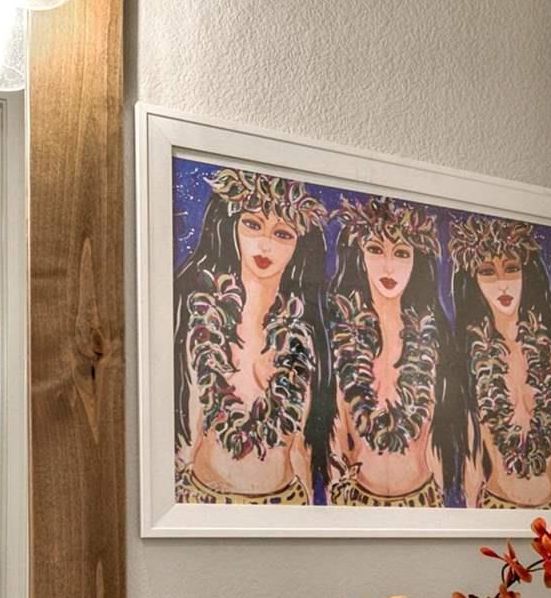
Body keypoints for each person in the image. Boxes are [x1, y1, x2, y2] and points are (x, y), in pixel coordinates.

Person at [173, 165, 328, 504]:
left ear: (299, 245)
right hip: (204, 500)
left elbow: (303, 444)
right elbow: (185, 431)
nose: (264, 245)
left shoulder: (304, 336)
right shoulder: (201, 317)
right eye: (252, 225)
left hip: (287, 503)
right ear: (231, 227)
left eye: (282, 233)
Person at [439, 213, 551, 510]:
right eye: (488, 272)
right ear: (473, 281)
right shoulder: (467, 360)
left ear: (527, 273)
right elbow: (470, 456)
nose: (502, 284)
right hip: (496, 507)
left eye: (511, 269)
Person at [324, 193, 447, 507]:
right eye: (376, 250)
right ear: (359, 257)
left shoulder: (435, 339)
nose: (389, 266)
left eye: (402, 253)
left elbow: (440, 444)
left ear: (417, 261)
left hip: (425, 501)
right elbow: (334, 439)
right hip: (354, 504)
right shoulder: (336, 334)